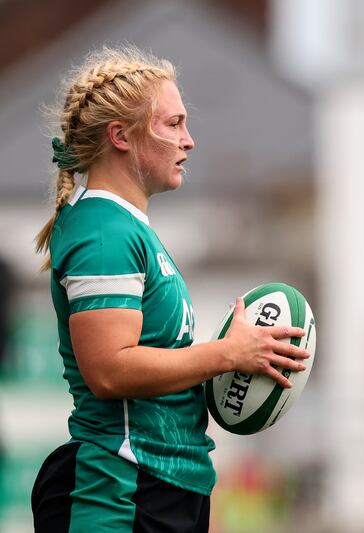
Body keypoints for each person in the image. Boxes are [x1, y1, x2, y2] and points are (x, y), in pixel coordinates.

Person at [31, 46, 311, 532]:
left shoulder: (128, 229)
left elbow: (150, 374)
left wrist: (238, 367)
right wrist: (227, 355)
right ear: (120, 135)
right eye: (173, 124)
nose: (189, 140)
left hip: (163, 488)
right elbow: (110, 371)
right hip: (118, 493)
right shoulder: (104, 232)